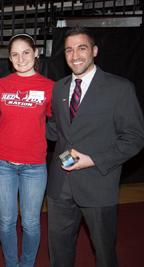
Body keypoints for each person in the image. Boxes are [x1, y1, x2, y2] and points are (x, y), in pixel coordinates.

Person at [46, 26, 144, 267]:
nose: (75, 55)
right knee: (59, 251)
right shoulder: (58, 88)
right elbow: (55, 129)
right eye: (69, 50)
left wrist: (93, 159)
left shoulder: (120, 88)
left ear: (95, 50)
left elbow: (134, 138)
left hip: (98, 184)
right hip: (60, 186)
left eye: (82, 48)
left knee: (103, 252)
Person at [0, 33, 53, 267]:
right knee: (6, 221)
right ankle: (10, 264)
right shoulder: (2, 85)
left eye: (26, 52)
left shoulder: (49, 87)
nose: (21, 58)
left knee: (31, 223)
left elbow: (56, 123)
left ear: (35, 53)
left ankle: (26, 264)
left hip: (34, 167)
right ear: (9, 58)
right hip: (2, 164)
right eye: (15, 54)